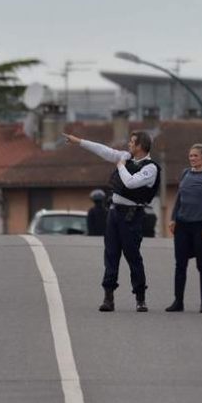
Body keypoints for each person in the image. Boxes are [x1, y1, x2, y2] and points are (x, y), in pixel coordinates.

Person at [65, 131, 160, 312]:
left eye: (132, 142)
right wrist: (79, 141)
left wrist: (121, 166)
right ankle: (108, 297)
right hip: (114, 213)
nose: (129, 145)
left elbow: (131, 183)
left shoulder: (150, 168)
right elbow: (104, 151)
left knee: (133, 257)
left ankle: (140, 298)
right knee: (111, 255)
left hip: (131, 215)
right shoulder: (125, 157)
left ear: (140, 146)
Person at [166, 143, 202, 314]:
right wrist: (173, 218)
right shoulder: (185, 173)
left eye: (196, 156)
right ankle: (178, 301)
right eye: (190, 156)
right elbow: (179, 197)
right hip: (182, 225)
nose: (192, 159)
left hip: (200, 226)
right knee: (180, 264)